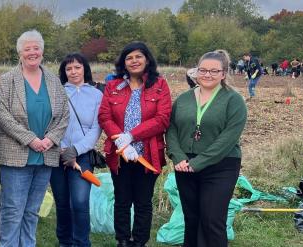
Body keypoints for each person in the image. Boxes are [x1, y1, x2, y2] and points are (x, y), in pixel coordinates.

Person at [0, 30, 69, 247]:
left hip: (45, 156)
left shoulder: (54, 81)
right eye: (28, 49)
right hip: (16, 155)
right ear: (20, 53)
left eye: (36, 48)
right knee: (12, 210)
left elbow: (64, 115)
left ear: (42, 51)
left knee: (32, 210)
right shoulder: (8, 80)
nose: (32, 52)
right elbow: (3, 115)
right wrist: (30, 139)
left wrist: (50, 139)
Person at [166, 50, 247, 247]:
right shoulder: (183, 99)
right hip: (185, 165)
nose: (207, 75)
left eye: (214, 71)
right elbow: (171, 129)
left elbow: (228, 138)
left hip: (221, 165)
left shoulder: (233, 100)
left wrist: (199, 163)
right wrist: (178, 157)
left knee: (212, 220)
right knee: (191, 218)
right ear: (196, 71)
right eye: (203, 70)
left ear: (223, 73)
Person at [98, 41, 171, 247]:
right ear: (124, 63)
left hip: (148, 155)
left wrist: (131, 136)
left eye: (138, 56)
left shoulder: (159, 85)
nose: (134, 61)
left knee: (143, 202)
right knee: (121, 201)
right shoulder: (113, 86)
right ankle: (122, 240)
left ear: (147, 59)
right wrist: (120, 140)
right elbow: (104, 116)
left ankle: (139, 241)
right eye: (129, 58)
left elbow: (162, 118)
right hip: (119, 155)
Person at [50, 53, 102, 247]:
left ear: (84, 69)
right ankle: (65, 242)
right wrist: (62, 149)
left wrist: (76, 150)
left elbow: (96, 127)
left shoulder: (96, 94)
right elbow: (51, 123)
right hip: (57, 156)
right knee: (62, 203)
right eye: (68, 68)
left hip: (82, 157)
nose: (73, 72)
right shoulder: (57, 93)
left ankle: (81, 242)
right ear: (64, 72)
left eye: (77, 67)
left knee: (79, 203)